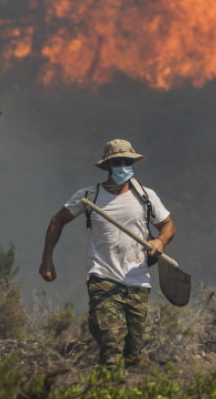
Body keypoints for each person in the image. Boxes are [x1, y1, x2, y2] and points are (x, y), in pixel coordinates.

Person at [39, 138, 176, 368]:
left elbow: (168, 225)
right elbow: (58, 220)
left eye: (126, 161)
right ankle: (105, 390)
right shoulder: (89, 196)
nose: (122, 166)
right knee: (112, 342)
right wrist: (47, 260)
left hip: (137, 280)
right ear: (107, 166)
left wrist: (160, 241)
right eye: (117, 162)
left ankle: (98, 326)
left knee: (135, 345)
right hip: (103, 278)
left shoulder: (146, 197)